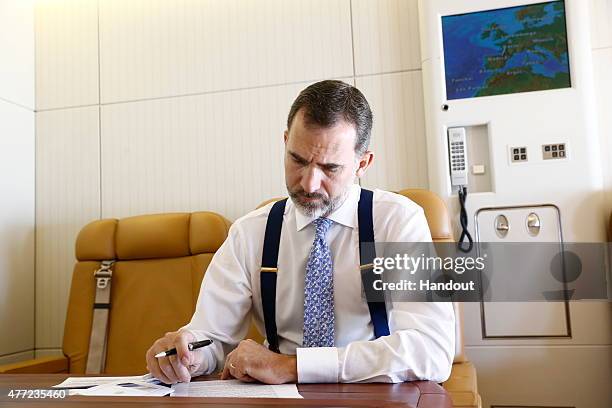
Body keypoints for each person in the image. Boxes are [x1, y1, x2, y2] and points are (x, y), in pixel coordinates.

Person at [145, 80, 455, 385]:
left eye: (330, 168)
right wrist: (185, 353)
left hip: (371, 393)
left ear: (363, 163)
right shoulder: (250, 233)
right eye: (298, 160)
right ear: (285, 142)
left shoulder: (398, 222)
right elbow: (212, 336)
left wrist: (295, 367)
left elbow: (432, 350)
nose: (308, 183)